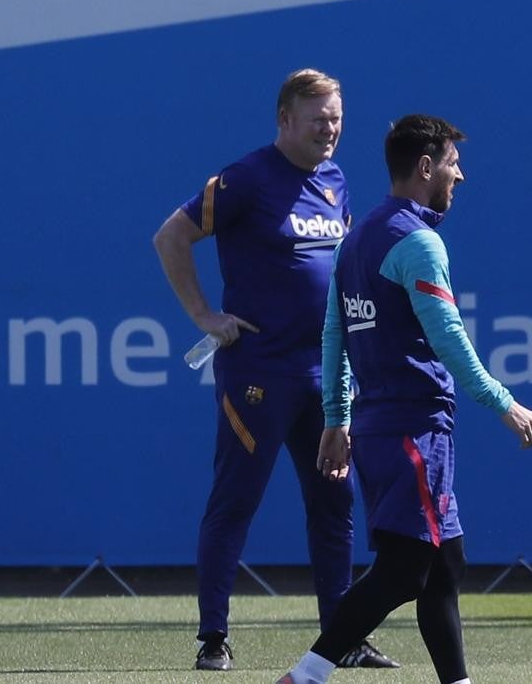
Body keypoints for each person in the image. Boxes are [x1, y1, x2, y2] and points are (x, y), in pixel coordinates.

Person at [277, 114, 532, 684]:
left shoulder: (358, 238)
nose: (460, 176)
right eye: (453, 164)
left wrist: (336, 418)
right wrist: (505, 403)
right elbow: (448, 339)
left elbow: (334, 333)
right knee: (403, 572)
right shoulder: (418, 241)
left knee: (446, 565)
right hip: (413, 431)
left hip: (383, 430)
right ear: (426, 168)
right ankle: (304, 677)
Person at [153, 69, 397, 672]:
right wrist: (203, 314)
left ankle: (343, 637)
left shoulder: (336, 180)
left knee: (334, 504)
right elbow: (171, 237)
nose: (330, 129)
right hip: (259, 373)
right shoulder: (246, 178)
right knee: (236, 501)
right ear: (284, 120)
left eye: (336, 118)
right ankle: (214, 637)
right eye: (318, 119)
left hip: (326, 373)